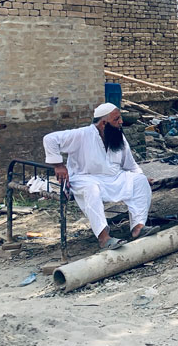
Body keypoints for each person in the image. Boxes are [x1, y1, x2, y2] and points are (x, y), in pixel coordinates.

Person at [43, 102, 157, 250]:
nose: (121, 122)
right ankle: (104, 238)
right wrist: (58, 165)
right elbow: (49, 139)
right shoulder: (82, 134)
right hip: (85, 177)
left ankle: (138, 228)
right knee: (92, 189)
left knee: (140, 181)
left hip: (114, 178)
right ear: (103, 123)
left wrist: (141, 176)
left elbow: (131, 164)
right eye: (116, 119)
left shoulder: (118, 137)